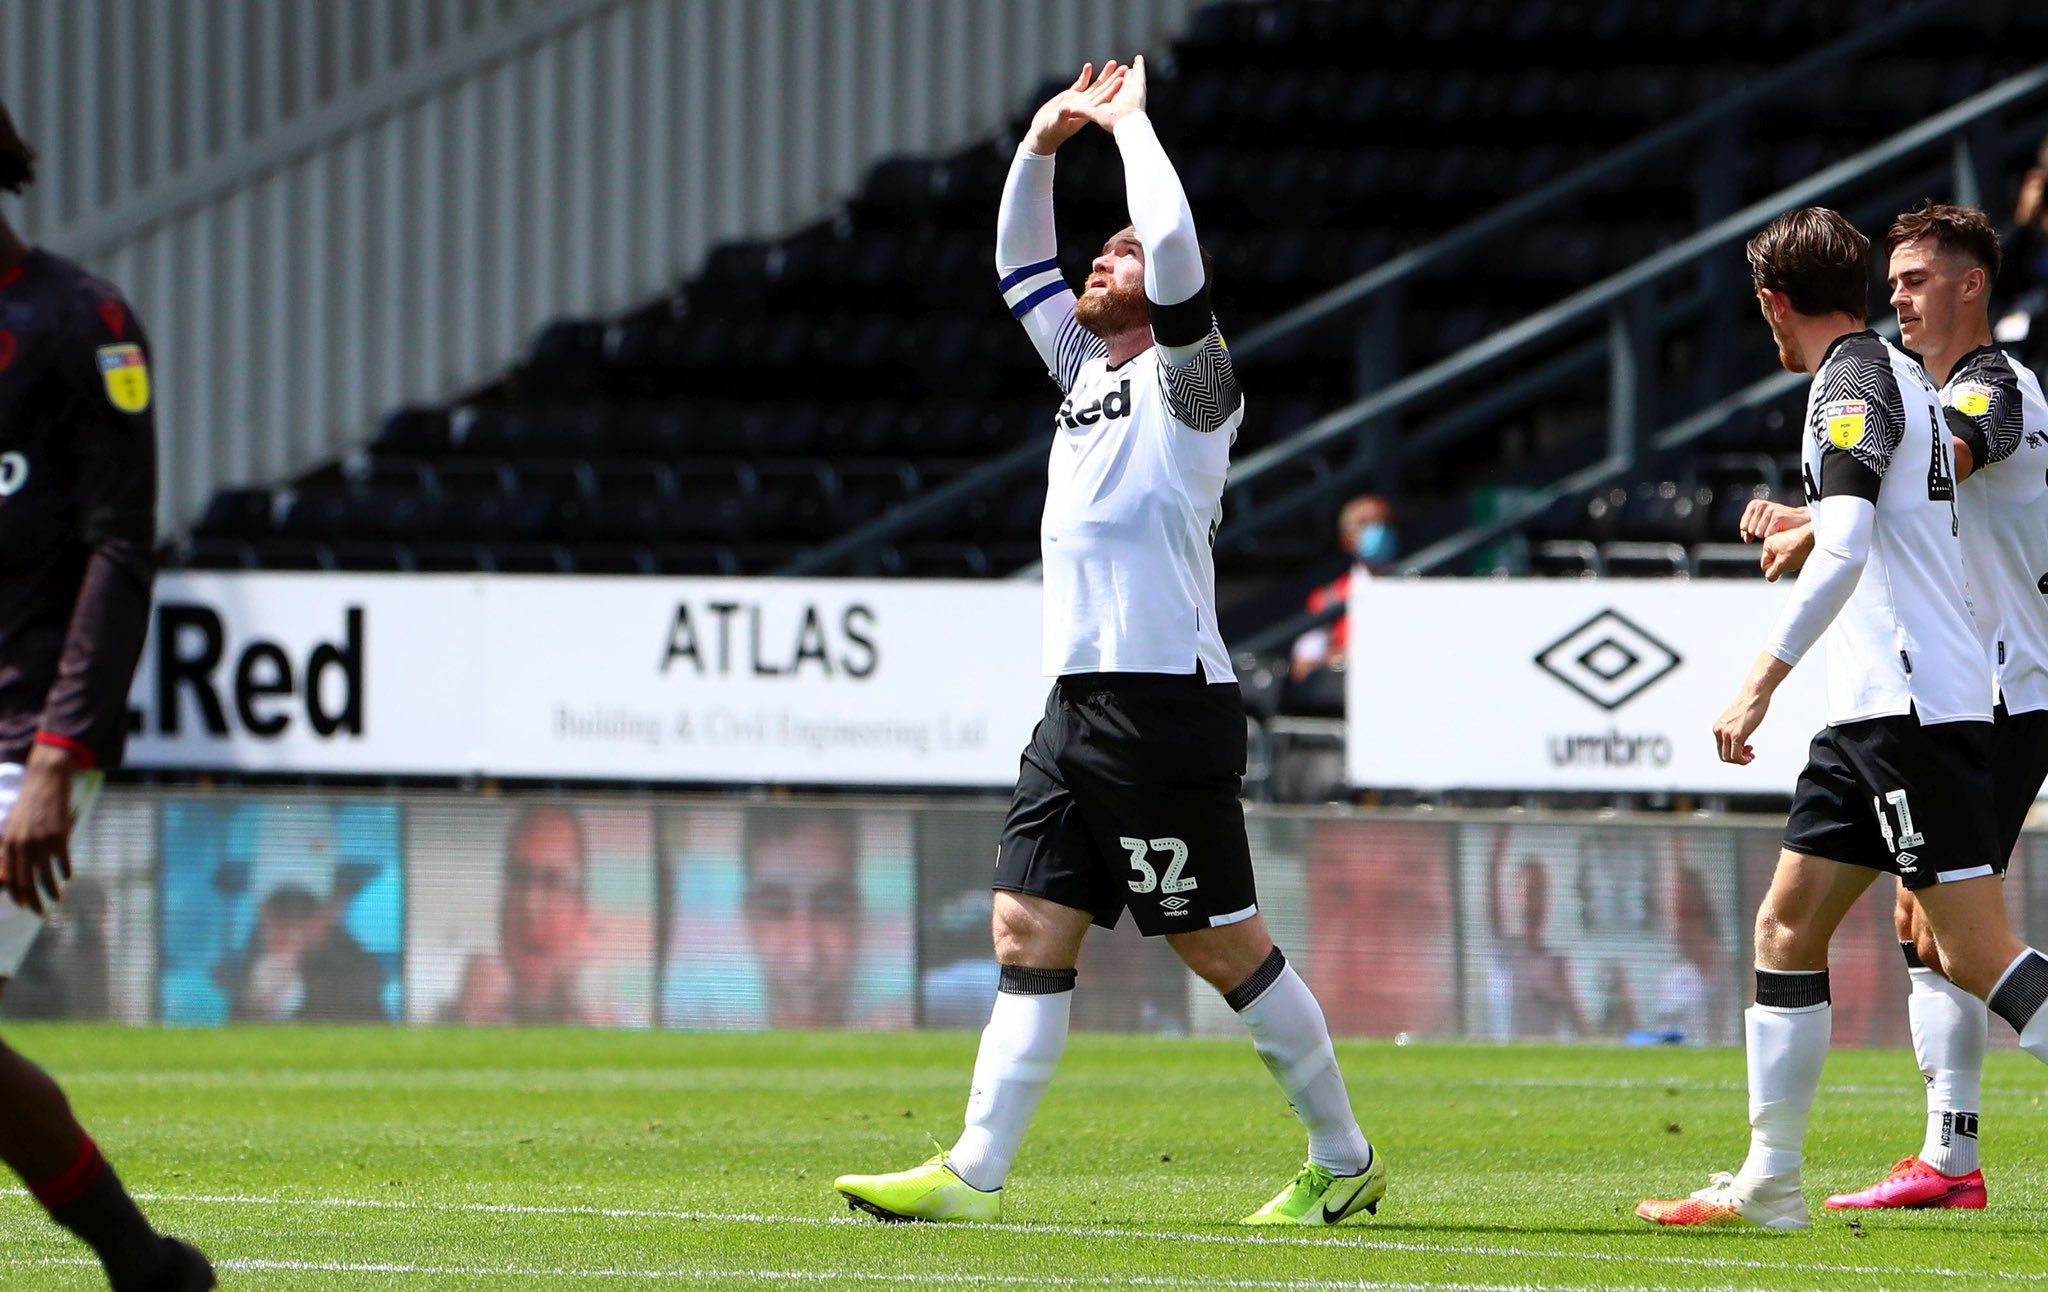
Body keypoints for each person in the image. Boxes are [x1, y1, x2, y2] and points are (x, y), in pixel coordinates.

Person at [835, 59, 1386, 1227]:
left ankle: (1342, 1152)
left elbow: (1178, 252)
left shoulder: (1195, 389)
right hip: (1073, 702)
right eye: (1102, 251)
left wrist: (1131, 127)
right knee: (1024, 924)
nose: (1102, 260)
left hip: (1161, 704)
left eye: (1120, 255)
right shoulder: (1083, 371)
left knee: (1220, 947)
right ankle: (973, 1173)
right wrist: (1039, 147)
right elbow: (1016, 266)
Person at [1637, 207, 2048, 1232]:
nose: (1908, 295)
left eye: (1923, 278)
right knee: (1786, 920)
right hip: (1874, 709)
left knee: (1973, 948)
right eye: (1894, 278)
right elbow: (1888, 506)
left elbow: (1852, 540)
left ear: (1773, 304)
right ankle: (1770, 1179)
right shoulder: (1903, 377)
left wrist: (1756, 681)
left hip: (1916, 702)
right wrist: (1812, 514)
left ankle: (1940, 1151)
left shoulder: (1873, 381)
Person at [0, 102, 215, 1288]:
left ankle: (145, 1264)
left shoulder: (82, 325)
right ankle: (149, 1269)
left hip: (22, 734)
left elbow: (119, 549)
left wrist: (56, 756)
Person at [443, 805, 607, 1026]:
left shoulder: (618, 1026)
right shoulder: (454, 1021)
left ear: (582, 914)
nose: (531, 905)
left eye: (552, 881)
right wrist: (462, 1023)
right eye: (520, 878)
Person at [1285, 495, 1396, 714]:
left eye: (1384, 522)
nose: (1379, 529)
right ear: (1347, 539)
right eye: (1366, 524)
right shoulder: (1330, 597)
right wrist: (1339, 657)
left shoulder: (1415, 589)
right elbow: (1302, 666)